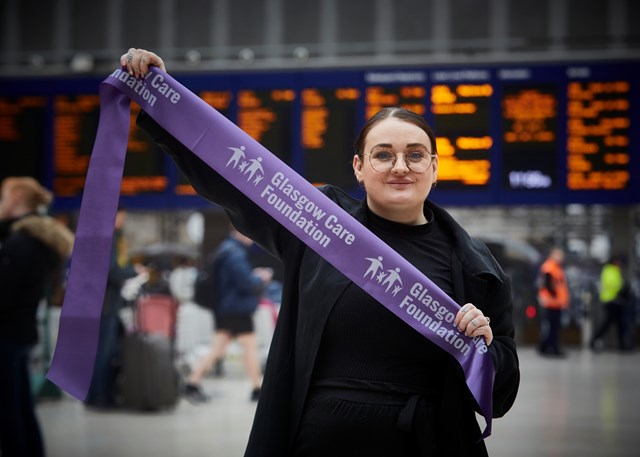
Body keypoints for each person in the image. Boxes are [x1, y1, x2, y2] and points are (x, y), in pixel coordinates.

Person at [120, 49, 519, 456]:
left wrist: (483, 347)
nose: (401, 166)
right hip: (319, 442)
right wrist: (162, 99)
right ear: (359, 168)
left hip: (426, 442)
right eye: (383, 154)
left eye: (415, 155)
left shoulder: (477, 267)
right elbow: (232, 178)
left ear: (434, 168)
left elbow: (501, 393)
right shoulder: (319, 224)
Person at [0, 177, 74, 457]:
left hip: (6, 335)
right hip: (21, 333)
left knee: (10, 415)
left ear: (17, 199)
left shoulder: (20, 243)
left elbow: (4, 292)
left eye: (4, 197)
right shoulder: (39, 241)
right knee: (20, 408)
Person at [184, 224, 273, 403]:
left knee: (217, 349)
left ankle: (192, 383)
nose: (252, 237)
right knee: (249, 348)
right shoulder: (235, 254)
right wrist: (261, 278)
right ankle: (257, 389)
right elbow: (245, 283)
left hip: (226, 307)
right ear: (239, 232)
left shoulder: (226, 249)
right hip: (237, 309)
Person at [85, 205, 142, 408]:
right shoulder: (109, 238)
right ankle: (99, 396)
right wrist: (133, 272)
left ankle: (99, 394)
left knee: (106, 350)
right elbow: (111, 271)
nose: (123, 221)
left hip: (103, 302)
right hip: (106, 304)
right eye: (121, 217)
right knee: (104, 352)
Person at [590, 254, 634, 352]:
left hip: (617, 301)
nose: (620, 264)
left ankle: (621, 345)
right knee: (608, 322)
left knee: (620, 323)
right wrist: (621, 289)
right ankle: (594, 340)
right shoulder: (609, 270)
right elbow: (611, 284)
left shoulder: (616, 271)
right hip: (610, 300)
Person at [537, 247, 570, 357]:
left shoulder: (556, 268)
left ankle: (545, 347)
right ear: (552, 255)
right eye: (558, 255)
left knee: (553, 326)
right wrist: (554, 296)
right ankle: (553, 348)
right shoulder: (550, 267)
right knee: (553, 326)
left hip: (556, 303)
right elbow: (547, 284)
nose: (561, 257)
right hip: (552, 303)